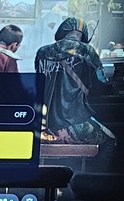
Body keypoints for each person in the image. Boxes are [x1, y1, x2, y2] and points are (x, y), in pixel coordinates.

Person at [34, 16, 116, 166]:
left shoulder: (42, 52)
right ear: (84, 34)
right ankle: (90, 179)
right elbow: (101, 84)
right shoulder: (87, 50)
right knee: (110, 140)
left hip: (43, 127)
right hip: (74, 124)